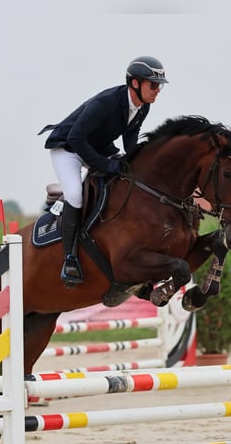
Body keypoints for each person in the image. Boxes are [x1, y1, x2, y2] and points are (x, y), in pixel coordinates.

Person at [38, 55, 168, 287]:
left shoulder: (142, 106)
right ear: (135, 83)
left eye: (159, 86)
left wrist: (140, 161)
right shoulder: (106, 103)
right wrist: (105, 164)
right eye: (153, 84)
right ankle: (70, 258)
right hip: (68, 149)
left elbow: (130, 138)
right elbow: (76, 137)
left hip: (97, 147)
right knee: (76, 195)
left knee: (127, 176)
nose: (158, 90)